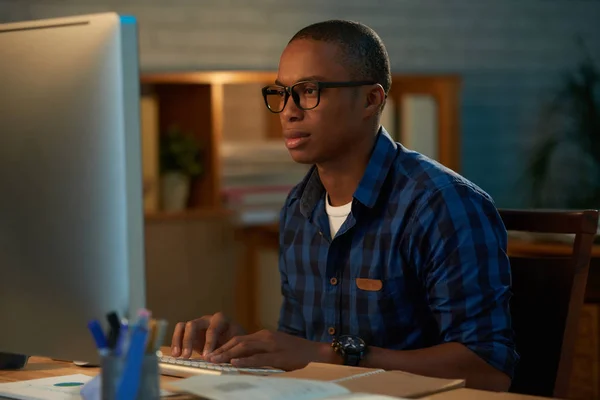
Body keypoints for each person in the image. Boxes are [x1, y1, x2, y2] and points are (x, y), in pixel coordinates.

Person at [171, 20, 518, 391]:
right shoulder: (298, 207)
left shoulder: (441, 203)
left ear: (371, 99)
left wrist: (336, 356)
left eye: (309, 91)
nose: (288, 111)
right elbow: (301, 347)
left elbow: (488, 369)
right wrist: (244, 349)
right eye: (281, 92)